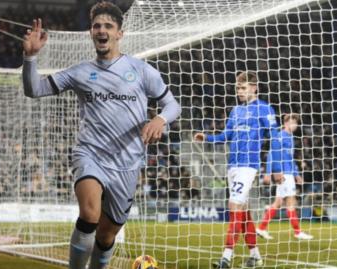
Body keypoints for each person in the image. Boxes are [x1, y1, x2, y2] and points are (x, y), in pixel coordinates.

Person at [22, 2, 181, 269]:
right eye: (97, 26)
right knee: (89, 214)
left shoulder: (141, 70)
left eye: (108, 26)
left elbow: (173, 105)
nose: (102, 30)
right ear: (90, 32)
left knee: (107, 236)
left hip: (127, 163)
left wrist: (160, 119)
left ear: (119, 33)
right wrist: (30, 58)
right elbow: (34, 90)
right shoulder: (80, 72)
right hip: (90, 154)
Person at [194, 71, 282, 268]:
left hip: (248, 166)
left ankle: (226, 257)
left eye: (243, 88)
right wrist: (207, 138)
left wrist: (275, 168)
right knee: (243, 211)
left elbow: (275, 138)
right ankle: (255, 256)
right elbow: (226, 135)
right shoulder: (236, 111)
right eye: (238, 88)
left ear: (254, 87)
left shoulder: (264, 109)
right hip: (233, 166)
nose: (239, 91)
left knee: (234, 207)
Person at [256, 114, 313, 240]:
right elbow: (272, 154)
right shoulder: (281, 136)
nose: (295, 125)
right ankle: (298, 232)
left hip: (288, 174)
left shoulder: (290, 137)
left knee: (278, 202)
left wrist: (297, 174)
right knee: (290, 203)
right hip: (283, 174)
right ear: (286, 123)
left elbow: (290, 159)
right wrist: (268, 172)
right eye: (293, 122)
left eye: (296, 123)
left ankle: (261, 228)